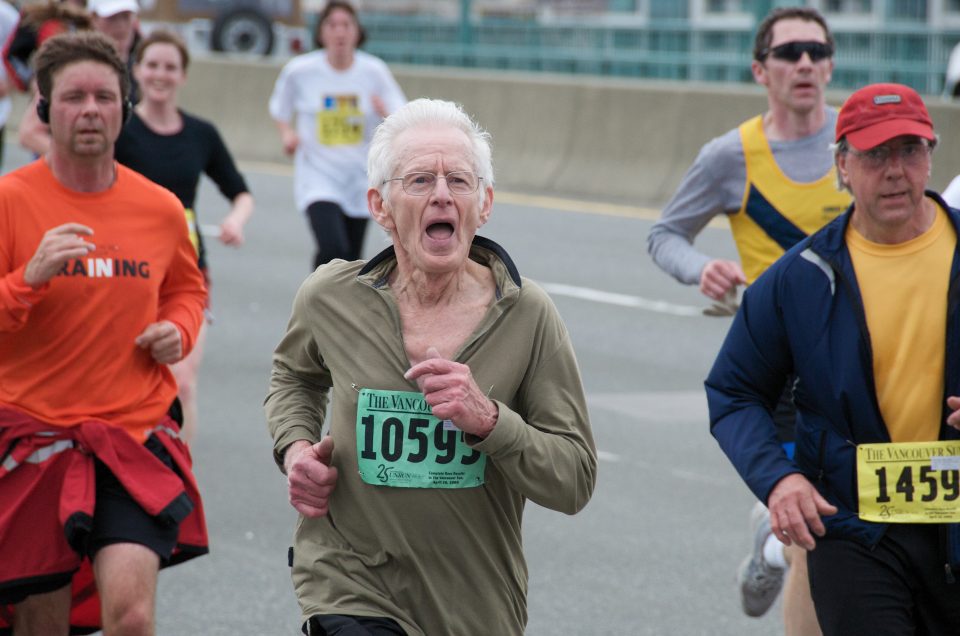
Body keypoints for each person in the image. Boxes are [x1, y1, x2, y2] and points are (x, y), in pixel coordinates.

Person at [264, 97, 598, 635]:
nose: (442, 194)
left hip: (474, 603)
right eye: (419, 180)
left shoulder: (528, 315)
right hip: (349, 581)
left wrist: (489, 422)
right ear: (380, 205)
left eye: (459, 181)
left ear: (484, 203)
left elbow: (575, 479)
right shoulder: (330, 297)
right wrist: (296, 447)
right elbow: (295, 377)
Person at [707, 82, 960, 635]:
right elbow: (733, 391)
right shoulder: (799, 278)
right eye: (875, 155)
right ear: (842, 165)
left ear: (931, 155)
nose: (895, 171)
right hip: (855, 529)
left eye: (909, 151)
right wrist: (778, 480)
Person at [646, 7, 849, 632]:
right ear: (762, 70)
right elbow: (665, 235)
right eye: (790, 54)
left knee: (846, 519)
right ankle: (777, 545)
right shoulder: (730, 156)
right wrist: (699, 269)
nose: (806, 63)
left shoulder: (860, 140)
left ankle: (768, 541)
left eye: (817, 51)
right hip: (781, 365)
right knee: (814, 528)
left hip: (864, 362)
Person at [0, 31, 208, 634]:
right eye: (72, 97)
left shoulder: (161, 208)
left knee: (133, 615)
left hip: (131, 434)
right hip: (33, 442)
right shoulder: (10, 203)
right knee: (41, 621)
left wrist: (178, 328)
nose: (90, 109)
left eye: (104, 97)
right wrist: (28, 279)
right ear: (44, 108)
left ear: (125, 107)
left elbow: (186, 290)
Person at [115, 29, 254, 444]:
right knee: (127, 380)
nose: (160, 74)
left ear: (183, 76)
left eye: (170, 67)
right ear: (136, 70)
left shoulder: (201, 134)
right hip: (125, 268)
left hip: (188, 271)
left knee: (183, 383)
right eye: (152, 64)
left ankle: (179, 482)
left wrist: (236, 220)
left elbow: (240, 192)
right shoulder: (117, 128)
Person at [268, 0, 406, 270]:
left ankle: (333, 306)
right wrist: (287, 134)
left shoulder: (374, 71)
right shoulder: (300, 71)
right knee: (333, 248)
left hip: (359, 178)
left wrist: (384, 113)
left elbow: (401, 116)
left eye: (346, 25)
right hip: (318, 175)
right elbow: (279, 109)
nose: (339, 32)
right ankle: (315, 302)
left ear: (357, 32)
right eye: (332, 25)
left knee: (351, 260)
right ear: (321, 33)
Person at [18, 0, 140, 157]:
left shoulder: (145, 68)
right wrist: (83, 163)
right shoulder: (71, 66)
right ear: (93, 19)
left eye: (126, 17)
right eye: (112, 18)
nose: (120, 26)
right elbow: (29, 134)